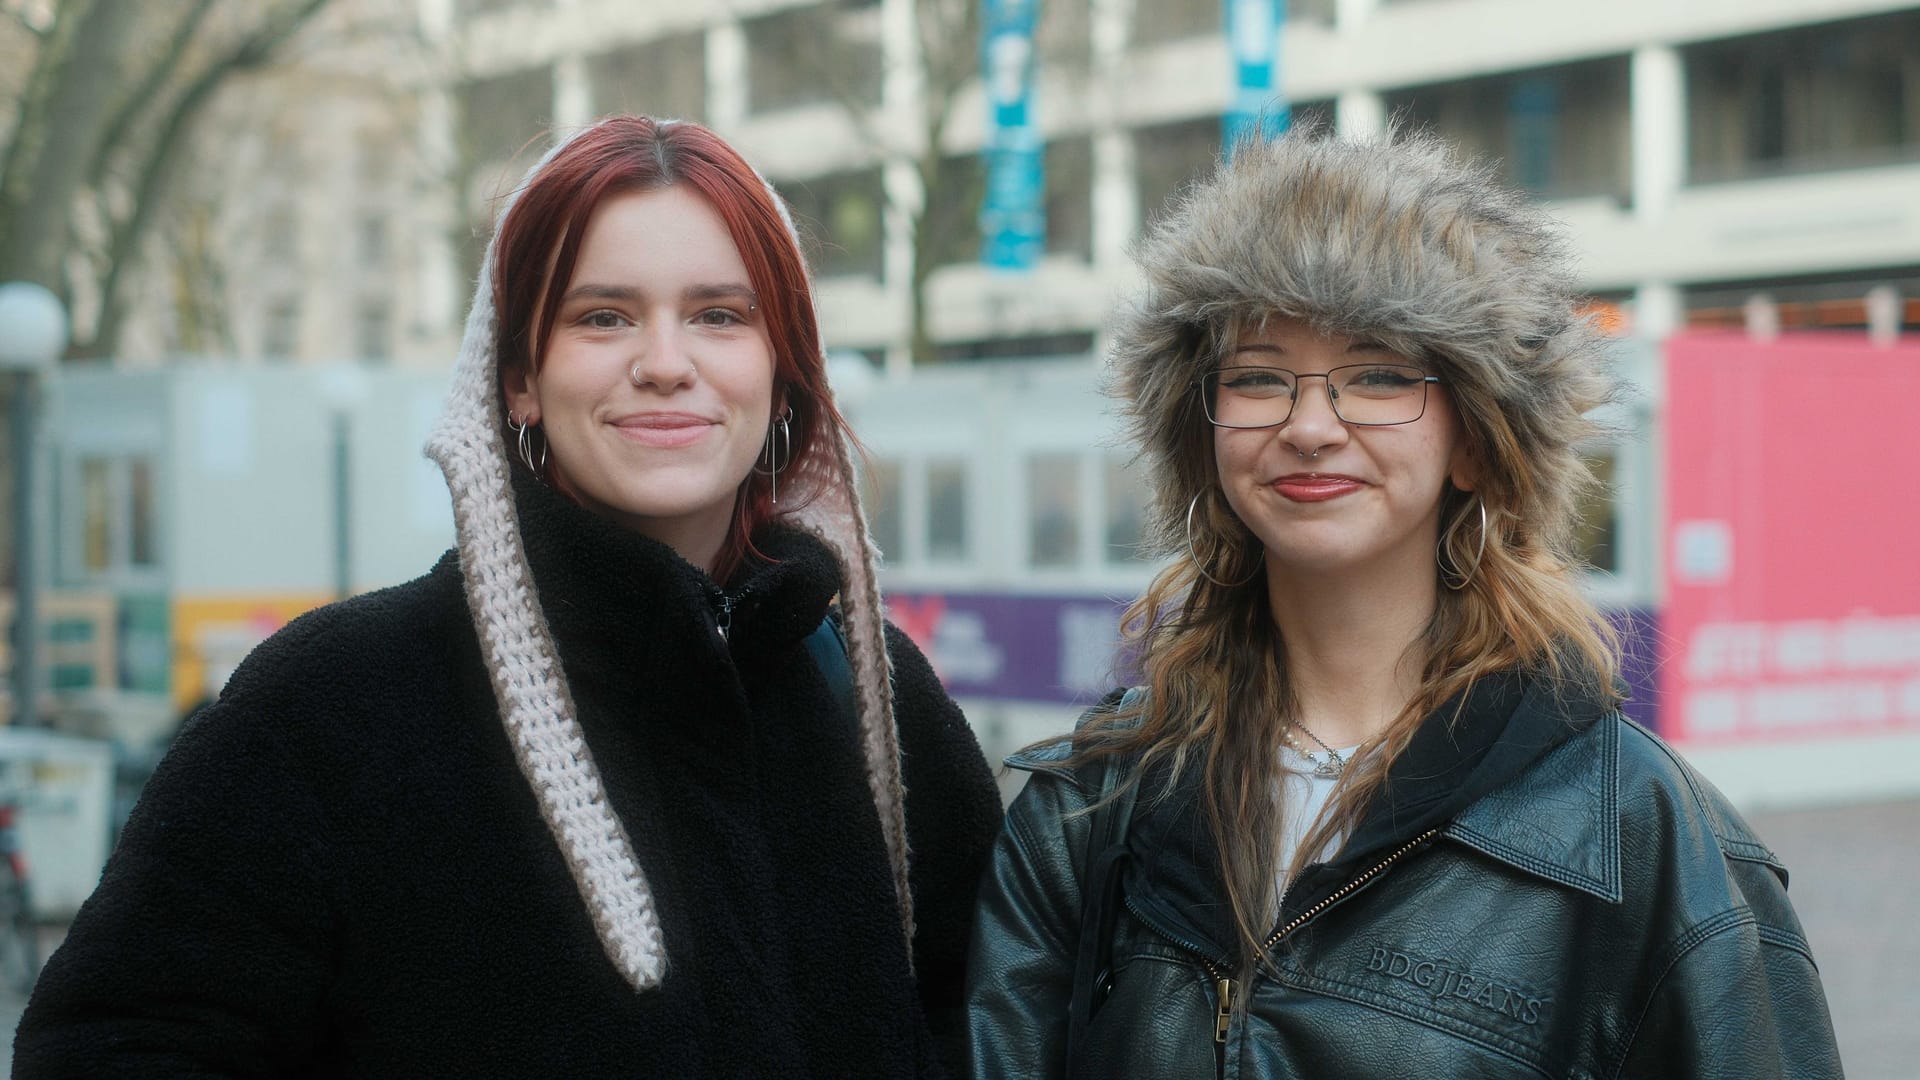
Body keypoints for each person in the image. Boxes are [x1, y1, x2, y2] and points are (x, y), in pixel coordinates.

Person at [17, 116, 1002, 1077]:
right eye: (602, 316)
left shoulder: (882, 704)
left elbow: (994, 1030)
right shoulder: (333, 706)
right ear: (521, 379)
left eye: (720, 314)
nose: (665, 362)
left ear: (783, 378)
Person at [965, 129, 1842, 1079]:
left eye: (1378, 375)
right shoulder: (1089, 810)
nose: (1309, 426)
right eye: (1259, 376)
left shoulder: (1649, 846)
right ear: (1203, 430)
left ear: (1476, 441)